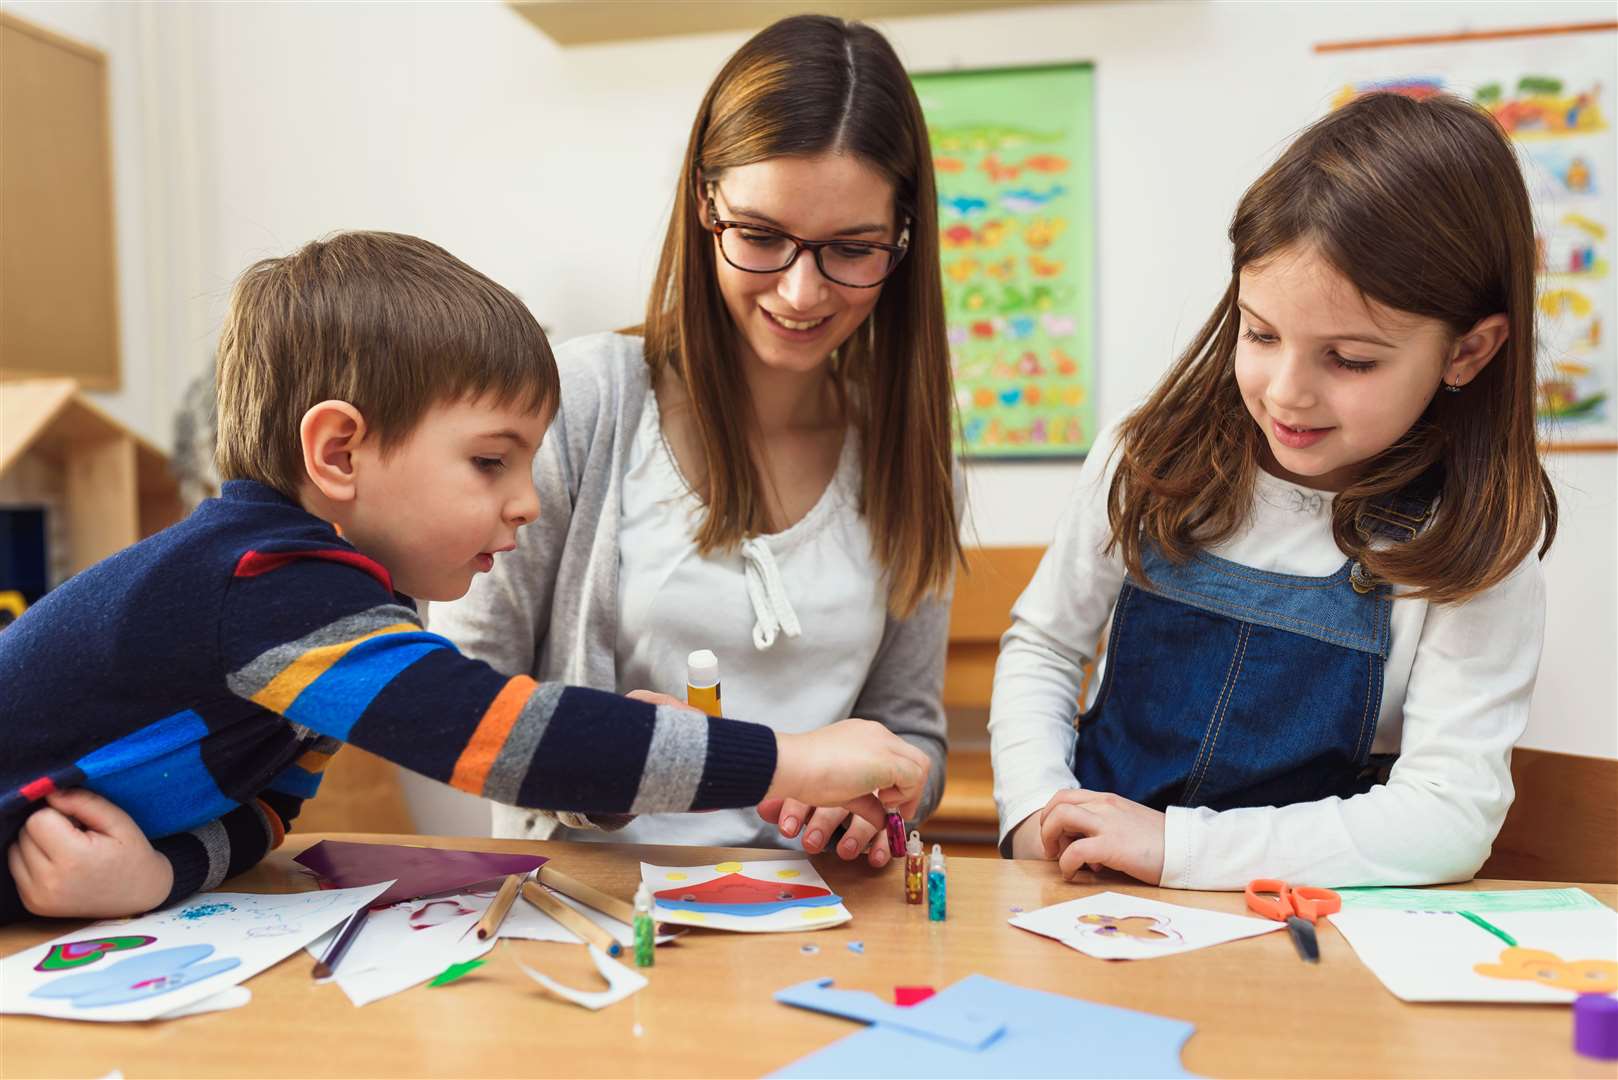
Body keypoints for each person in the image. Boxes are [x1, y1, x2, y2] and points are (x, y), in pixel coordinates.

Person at [0, 230, 930, 923]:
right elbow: (500, 737)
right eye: (492, 462)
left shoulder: (337, 618)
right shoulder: (266, 583)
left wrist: (158, 875)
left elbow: (270, 813)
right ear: (339, 452)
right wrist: (789, 758)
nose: (526, 502)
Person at [989, 93, 1557, 890]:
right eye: (1259, 334)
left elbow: (1447, 819)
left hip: (1299, 925)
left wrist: (1175, 849)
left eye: (1350, 360)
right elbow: (1045, 649)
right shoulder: (1144, 457)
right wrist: (1035, 808)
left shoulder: (1474, 544)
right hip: (1088, 898)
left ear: (1467, 350)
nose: (1286, 393)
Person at [432, 14, 961, 867]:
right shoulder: (582, 401)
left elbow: (914, 738)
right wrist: (628, 763)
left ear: (902, 241)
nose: (799, 290)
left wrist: (889, 796)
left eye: (852, 250)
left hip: (818, 912)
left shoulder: (907, 449)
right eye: (760, 237)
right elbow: (458, 700)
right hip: (593, 908)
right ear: (703, 206)